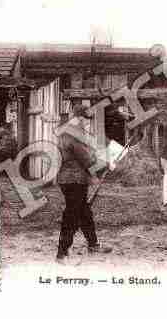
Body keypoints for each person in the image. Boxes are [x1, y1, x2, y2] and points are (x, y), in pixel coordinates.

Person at [56, 104, 112, 262]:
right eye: (86, 120)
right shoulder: (72, 134)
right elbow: (86, 159)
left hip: (73, 179)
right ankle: (62, 253)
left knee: (84, 212)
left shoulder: (69, 131)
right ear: (79, 118)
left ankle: (93, 244)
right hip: (73, 180)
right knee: (72, 215)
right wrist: (107, 164)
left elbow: (87, 155)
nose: (87, 123)